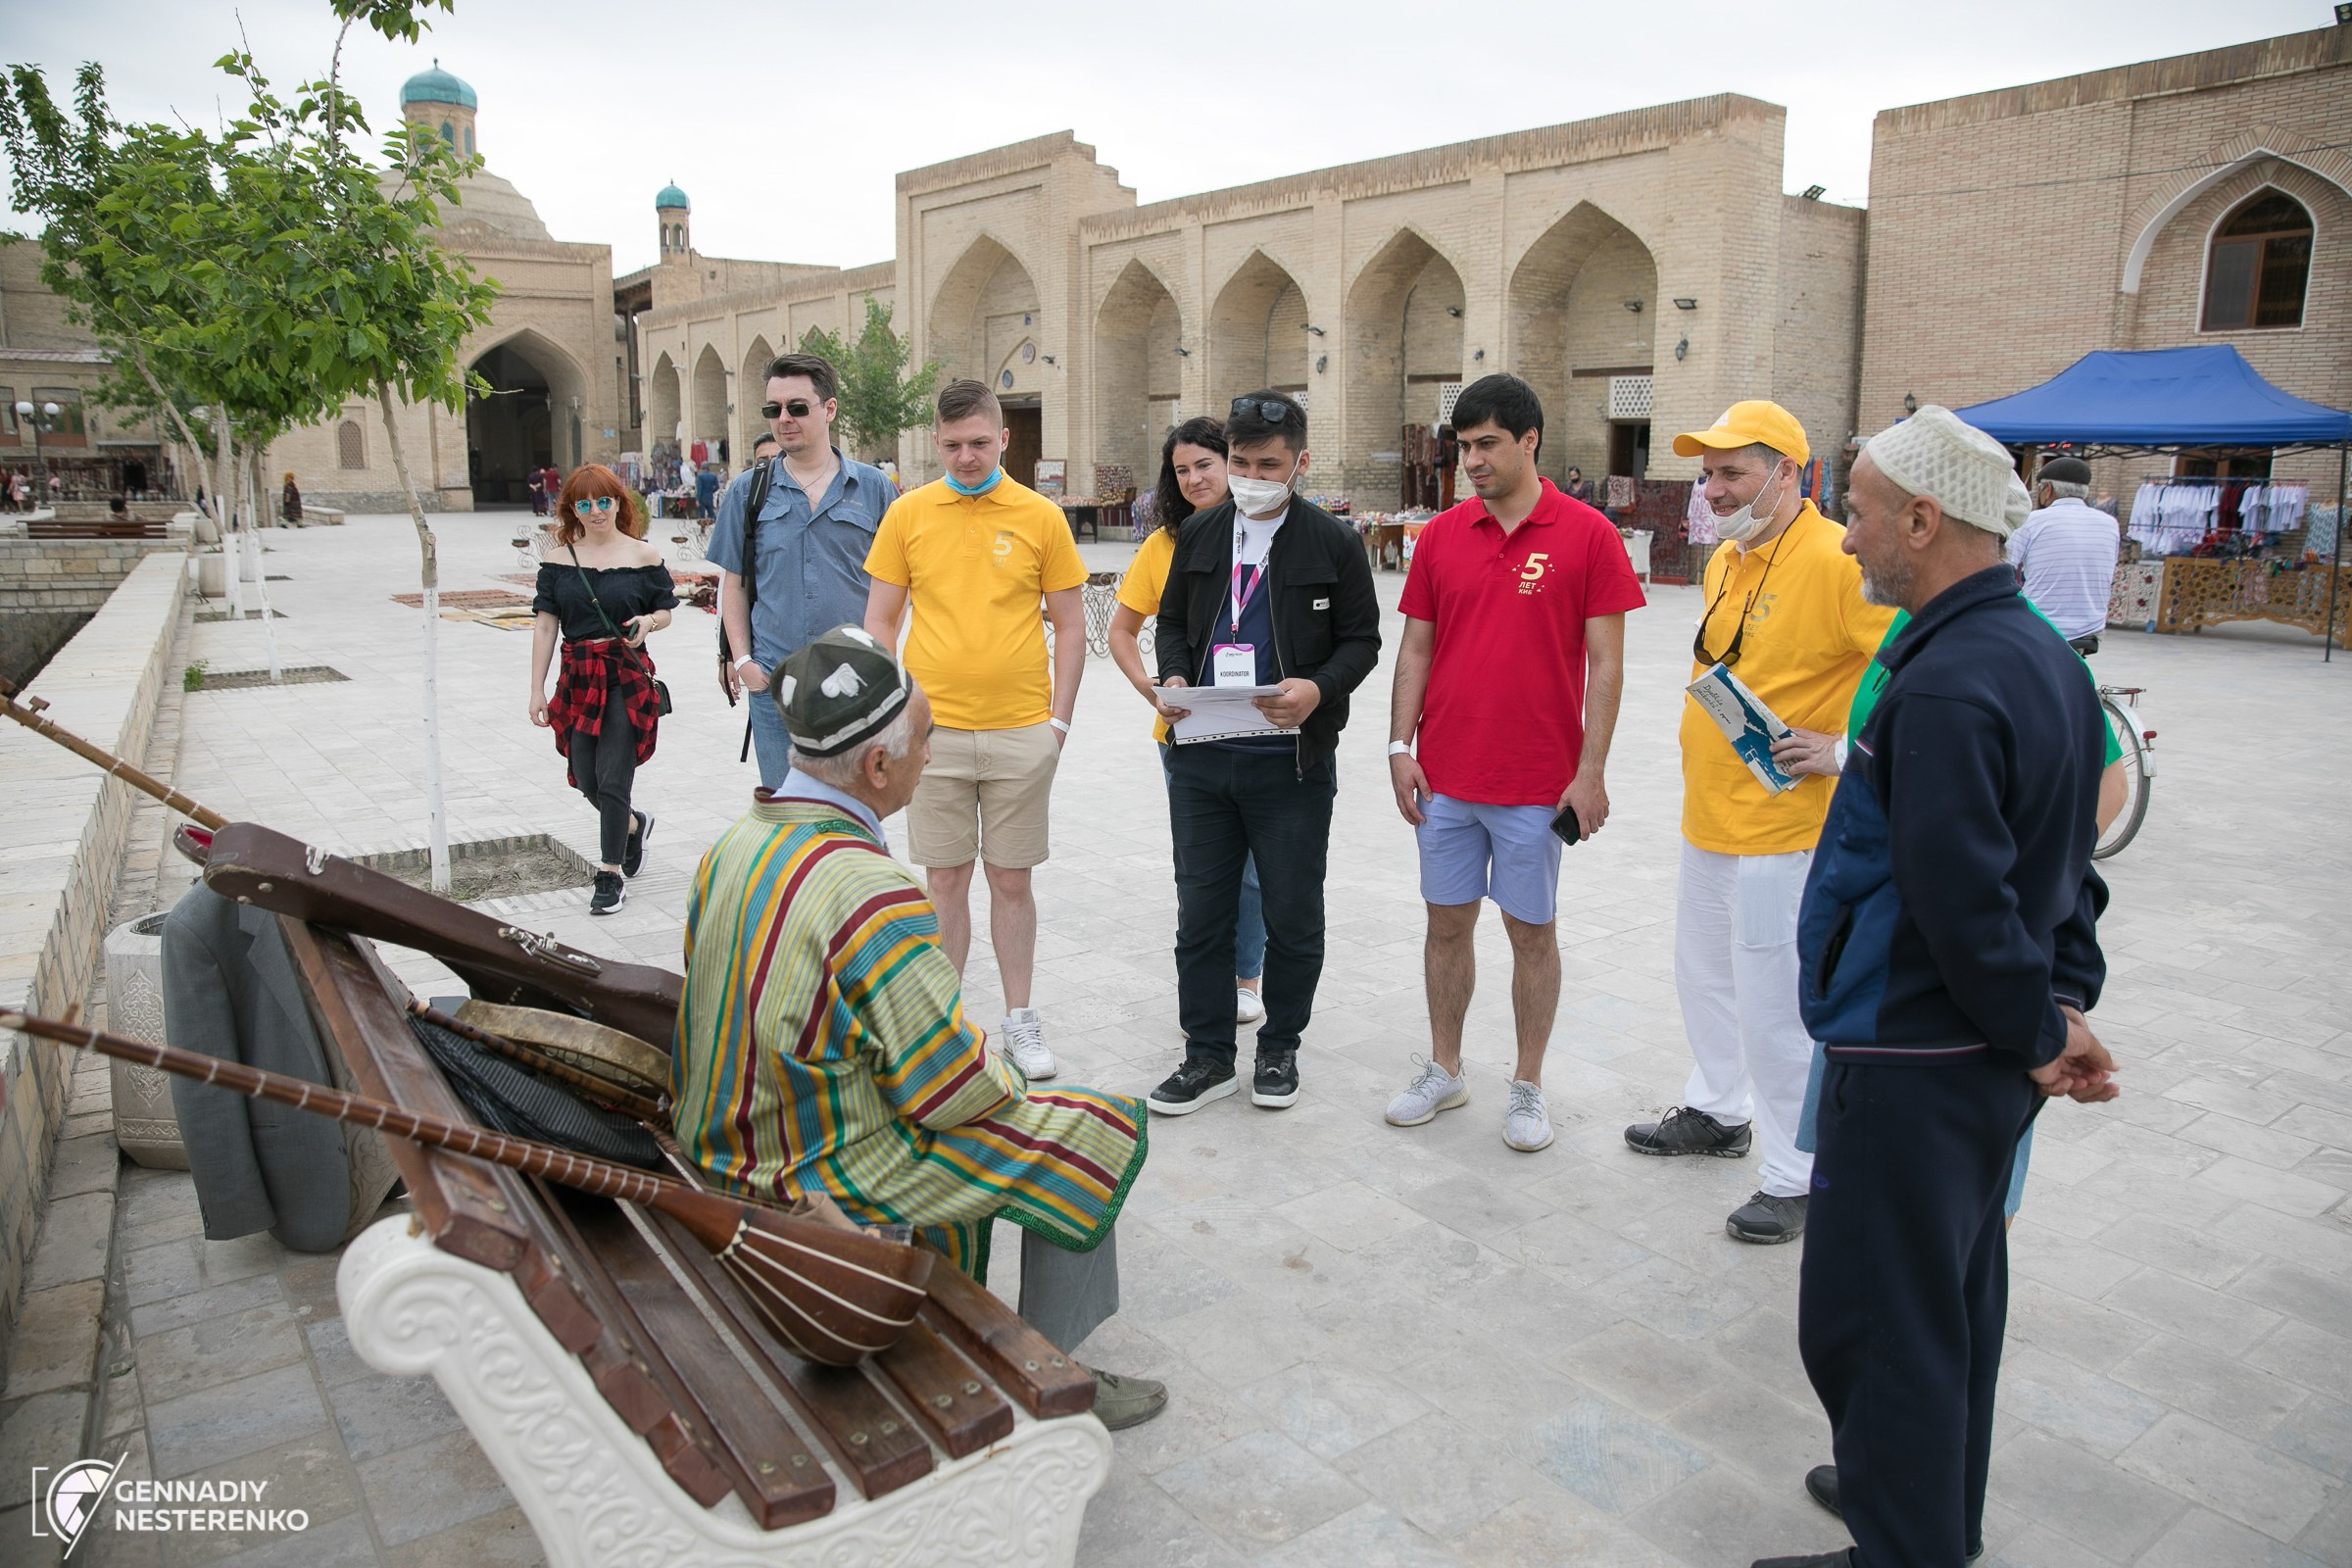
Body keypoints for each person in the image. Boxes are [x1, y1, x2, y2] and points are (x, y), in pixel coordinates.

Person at [1748, 408, 2116, 1568]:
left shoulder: (1955, 681)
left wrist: (2036, 1029)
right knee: (1949, 1303)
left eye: (1856, 511)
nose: (1847, 536)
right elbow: (2063, 866)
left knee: (1874, 1317)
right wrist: (2058, 1007)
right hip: (1976, 1056)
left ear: (1922, 516)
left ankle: (1901, 1546)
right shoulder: (2037, 655)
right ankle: (1913, 1499)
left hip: (1920, 1055)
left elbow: (1964, 898)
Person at [672, 626, 1166, 1430]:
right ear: (878, 766)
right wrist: (1015, 1090)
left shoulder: (734, 844)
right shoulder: (868, 889)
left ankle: (977, 1334)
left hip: (717, 1142)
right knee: (1083, 1134)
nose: (932, 755)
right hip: (802, 1175)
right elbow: (945, 1088)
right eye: (927, 739)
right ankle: (1050, 1375)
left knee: (998, 1119)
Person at [1625, 400, 1892, 1245]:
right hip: (1711, 810)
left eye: (1731, 472)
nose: (1712, 488)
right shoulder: (1731, 559)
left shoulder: (1835, 559)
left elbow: (1913, 657)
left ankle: (1797, 1171)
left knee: (1777, 1004)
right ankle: (1718, 1108)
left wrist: (1848, 746)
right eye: (1707, 473)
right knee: (1703, 975)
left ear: (1787, 474)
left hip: (1788, 826)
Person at [1384, 375, 1645, 1152]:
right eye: (1463, 447)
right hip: (1447, 778)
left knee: (1531, 931)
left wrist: (1590, 771)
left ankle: (1528, 1084)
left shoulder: (1587, 534)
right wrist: (1401, 746)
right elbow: (1416, 648)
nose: (1473, 461)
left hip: (1536, 783)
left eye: (1487, 444)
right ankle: (1446, 1068)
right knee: (1445, 927)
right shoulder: (1440, 536)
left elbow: (1606, 665)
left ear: (1530, 440)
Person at [1146, 391, 1382, 1115]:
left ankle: (1280, 1047)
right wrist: (1178, 674)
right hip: (1204, 756)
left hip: (1291, 763)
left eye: (1267, 465)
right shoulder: (1203, 533)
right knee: (1203, 913)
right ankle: (1207, 1056)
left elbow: (1362, 642)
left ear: (1300, 464)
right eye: (1240, 462)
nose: (1250, 476)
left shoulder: (1332, 544)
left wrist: (1316, 689)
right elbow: (1175, 622)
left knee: (1291, 912)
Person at [862, 378, 1087, 1082]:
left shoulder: (1040, 516)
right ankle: (942, 1025)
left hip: (1023, 729)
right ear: (937, 441)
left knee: (1011, 880)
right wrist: (894, 711)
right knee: (945, 879)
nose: (966, 456)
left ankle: (1020, 1020)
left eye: (980, 444)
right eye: (954, 444)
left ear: (1004, 440)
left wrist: (1058, 722)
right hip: (934, 738)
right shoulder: (908, 514)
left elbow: (1073, 623)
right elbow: (879, 620)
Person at [1108, 417, 1268, 1029]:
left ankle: (1247, 978)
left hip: (1261, 728)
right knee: (1201, 869)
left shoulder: (1271, 534)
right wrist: (1149, 688)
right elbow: (1123, 629)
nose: (1196, 478)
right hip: (1186, 734)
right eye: (1182, 470)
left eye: (1206, 463)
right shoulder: (1162, 547)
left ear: (1232, 461)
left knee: (1254, 871)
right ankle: (1205, 985)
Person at [710, 352, 893, 784]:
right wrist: (743, 663)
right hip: (775, 686)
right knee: (788, 818)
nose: (783, 419)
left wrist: (880, 661)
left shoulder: (874, 489)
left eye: (797, 407)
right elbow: (733, 585)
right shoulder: (748, 492)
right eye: (773, 410)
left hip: (853, 687)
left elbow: (896, 585)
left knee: (851, 815)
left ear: (829, 409)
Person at [529, 465, 676, 915]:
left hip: (624, 674)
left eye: (605, 501)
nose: (596, 512)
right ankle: (633, 825)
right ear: (573, 509)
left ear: (619, 503)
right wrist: (536, 688)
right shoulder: (558, 561)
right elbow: (545, 625)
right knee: (585, 775)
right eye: (585, 504)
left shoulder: (642, 556)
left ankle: (609, 874)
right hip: (578, 677)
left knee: (614, 777)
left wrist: (649, 622)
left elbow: (666, 610)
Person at [2008, 455, 2120, 649]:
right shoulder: (2110, 524)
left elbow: (2003, 565)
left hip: (2043, 624)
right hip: (2092, 625)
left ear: (2048, 489)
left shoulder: (2032, 520)